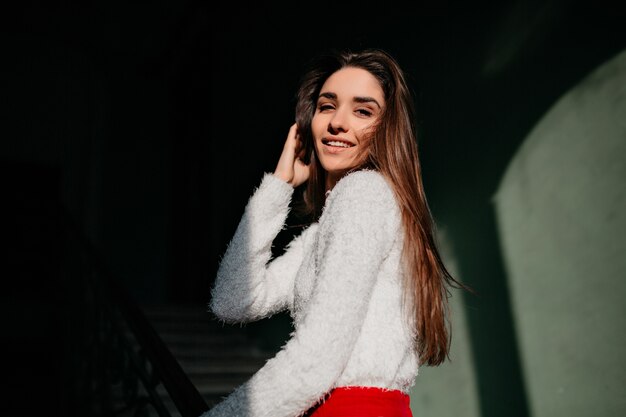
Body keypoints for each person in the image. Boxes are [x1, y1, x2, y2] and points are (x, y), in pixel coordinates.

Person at [201, 48, 464, 417]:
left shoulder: (364, 194)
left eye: (362, 110)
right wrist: (277, 187)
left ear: (387, 128)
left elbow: (316, 358)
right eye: (327, 106)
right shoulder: (324, 229)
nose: (337, 122)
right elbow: (232, 301)